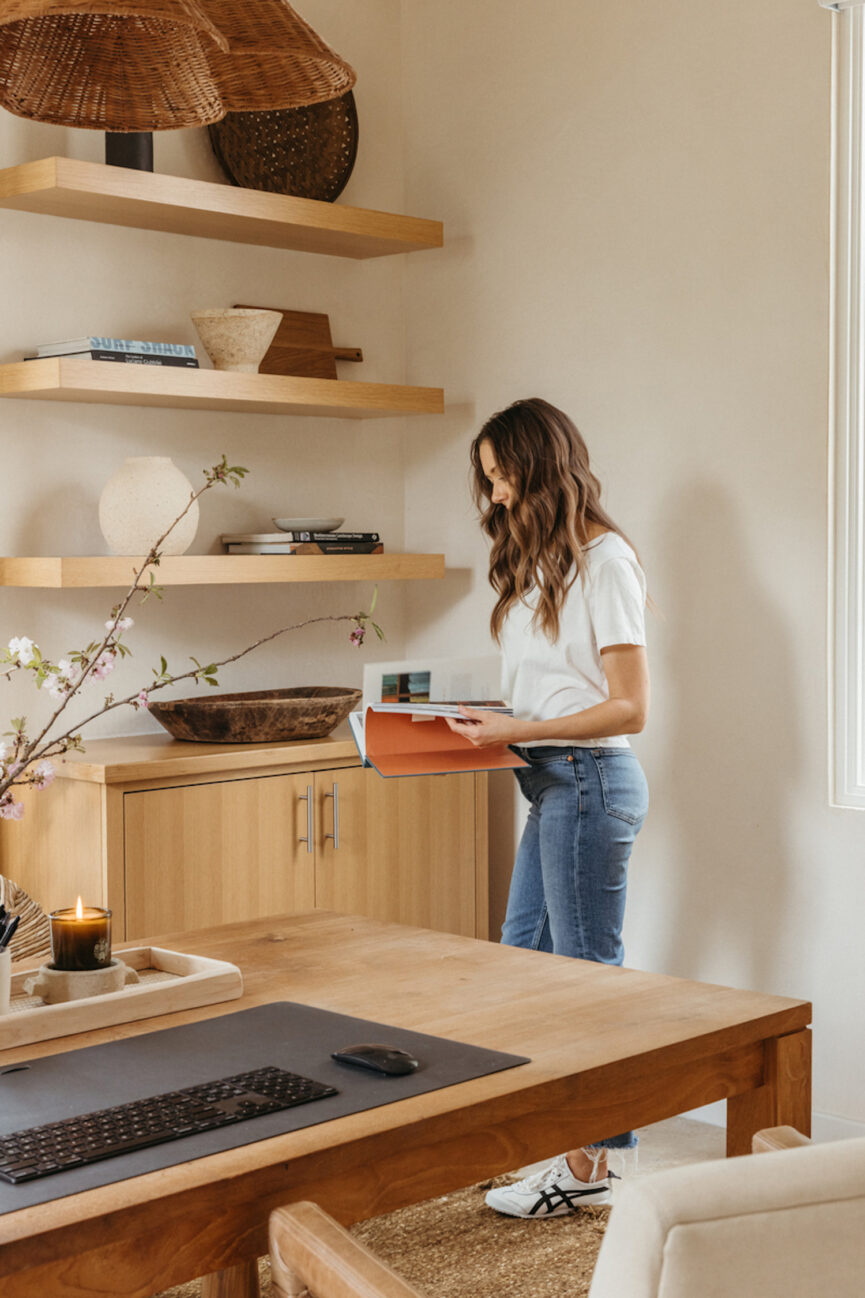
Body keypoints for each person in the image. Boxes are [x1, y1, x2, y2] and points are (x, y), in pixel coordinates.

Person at [447, 397, 650, 1219]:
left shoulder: (606, 563)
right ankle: (553, 1148)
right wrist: (487, 721)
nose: (493, 498)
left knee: (580, 982)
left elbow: (629, 707)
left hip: (589, 780)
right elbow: (550, 691)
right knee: (520, 962)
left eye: (500, 479)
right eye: (488, 482)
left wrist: (524, 727)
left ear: (537, 469)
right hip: (547, 781)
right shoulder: (543, 569)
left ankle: (592, 1167)